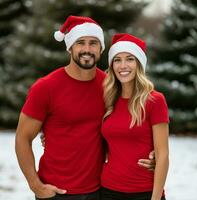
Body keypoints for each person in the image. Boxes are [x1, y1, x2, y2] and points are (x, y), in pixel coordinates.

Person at [15, 15, 155, 200]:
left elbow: (130, 125)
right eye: (81, 42)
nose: (87, 49)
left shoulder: (110, 86)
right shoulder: (46, 87)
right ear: (70, 47)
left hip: (100, 190)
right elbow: (22, 138)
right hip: (56, 192)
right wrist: (36, 186)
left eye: (93, 43)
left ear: (101, 49)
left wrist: (153, 154)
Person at [100, 33, 169, 200]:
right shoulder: (107, 99)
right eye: (117, 60)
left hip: (144, 191)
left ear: (139, 63)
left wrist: (156, 198)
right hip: (108, 190)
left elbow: (163, 155)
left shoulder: (154, 100)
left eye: (129, 59)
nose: (123, 65)